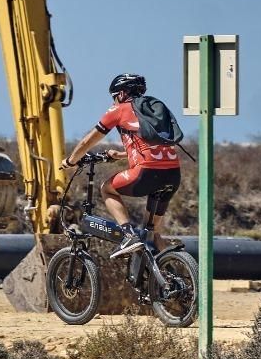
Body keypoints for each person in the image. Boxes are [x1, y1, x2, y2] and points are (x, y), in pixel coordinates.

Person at [60, 73, 182, 257]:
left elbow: (87, 142)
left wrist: (71, 161)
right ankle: (170, 273)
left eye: (114, 96)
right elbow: (152, 147)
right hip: (173, 174)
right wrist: (121, 154)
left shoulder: (119, 109)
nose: (114, 101)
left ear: (122, 93)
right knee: (151, 233)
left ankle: (128, 235)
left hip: (146, 173)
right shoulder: (152, 111)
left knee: (107, 189)